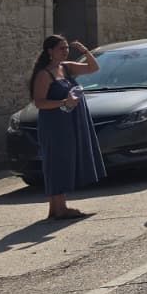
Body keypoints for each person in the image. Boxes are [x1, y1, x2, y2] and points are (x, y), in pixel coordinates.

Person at [28, 35, 106, 220]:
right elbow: (39, 102)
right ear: (50, 51)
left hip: (71, 121)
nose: (65, 51)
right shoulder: (44, 74)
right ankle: (60, 208)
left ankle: (55, 208)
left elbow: (93, 68)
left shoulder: (66, 67)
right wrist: (64, 101)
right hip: (55, 124)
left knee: (65, 160)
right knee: (57, 161)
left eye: (66, 48)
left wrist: (85, 51)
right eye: (61, 48)